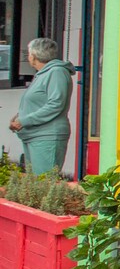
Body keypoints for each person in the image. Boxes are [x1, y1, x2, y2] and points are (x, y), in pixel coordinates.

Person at [9, 39, 76, 177]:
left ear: (34, 56)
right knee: (35, 183)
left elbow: (56, 104)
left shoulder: (56, 72)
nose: (28, 57)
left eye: (29, 53)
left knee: (44, 183)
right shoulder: (43, 74)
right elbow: (38, 102)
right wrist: (18, 118)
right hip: (33, 135)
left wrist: (24, 120)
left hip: (46, 135)